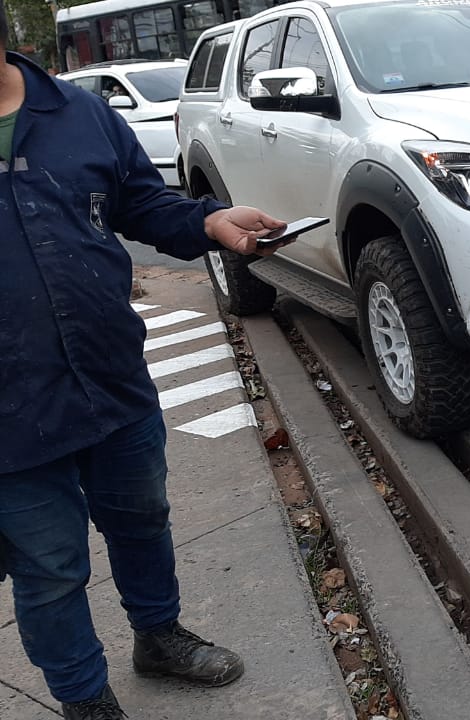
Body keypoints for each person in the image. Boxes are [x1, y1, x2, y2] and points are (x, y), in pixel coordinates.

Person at [0, 6, 290, 719]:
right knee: (50, 568)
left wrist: (207, 221)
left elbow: (138, 202)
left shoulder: (77, 113)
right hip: (9, 416)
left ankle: (158, 637)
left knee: (142, 518)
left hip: (110, 378)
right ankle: (84, 698)